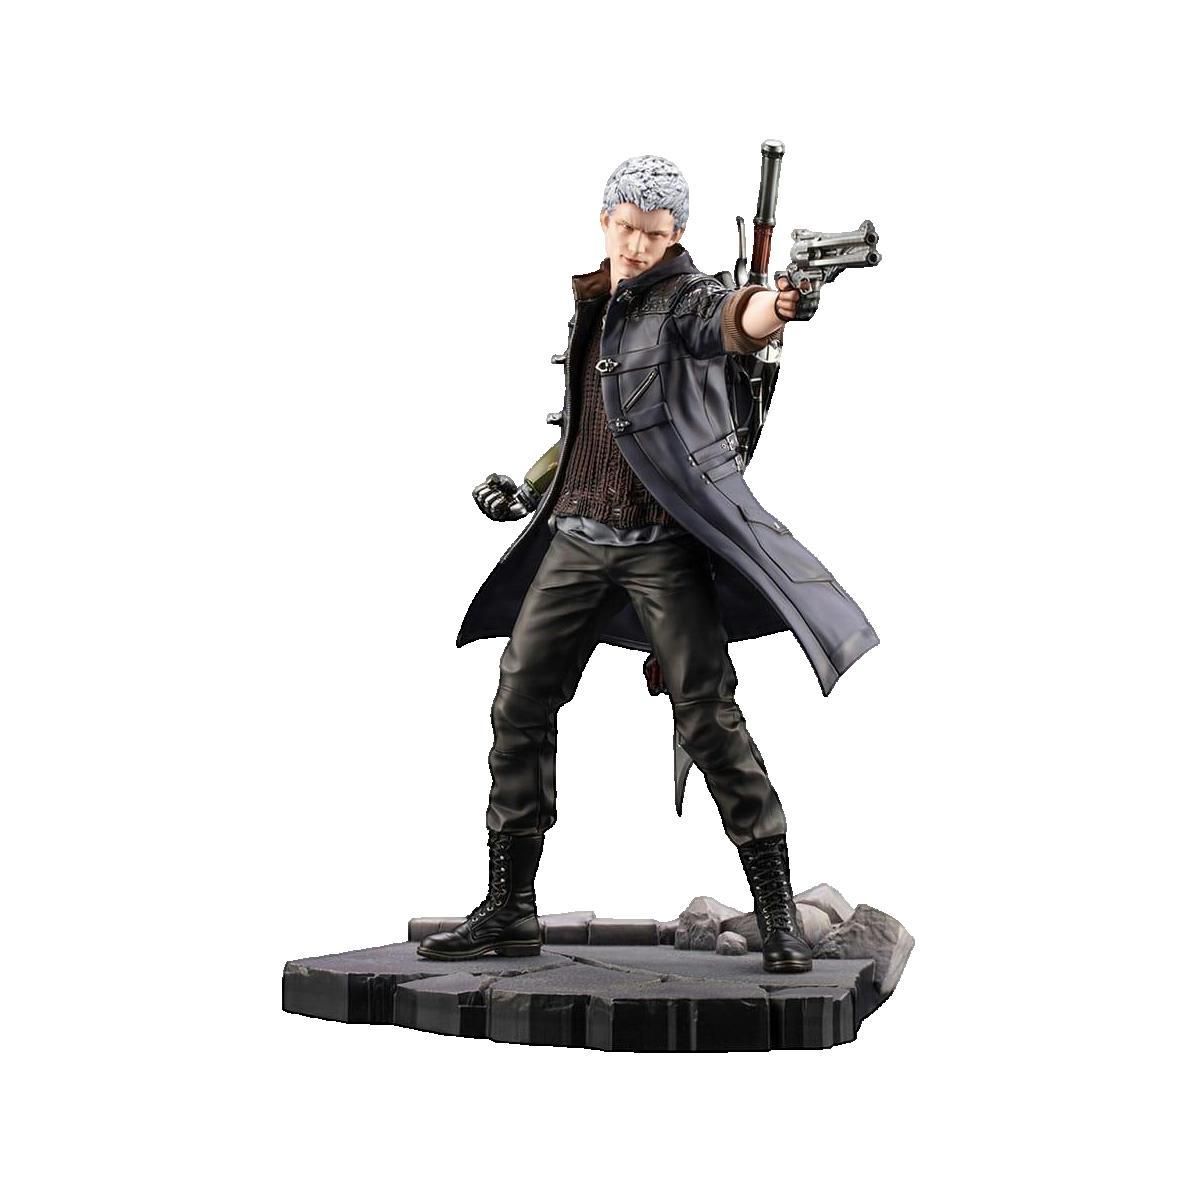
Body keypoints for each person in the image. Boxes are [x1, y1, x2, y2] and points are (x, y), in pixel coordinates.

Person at [418, 155, 876, 973]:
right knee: (520, 702)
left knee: (709, 719)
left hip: (662, 546)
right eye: (626, 228)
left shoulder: (684, 299)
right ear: (605, 221)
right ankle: (509, 905)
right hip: (576, 537)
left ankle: (776, 910)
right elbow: (594, 426)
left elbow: (733, 320)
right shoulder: (597, 300)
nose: (636, 245)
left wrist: (779, 305)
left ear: (677, 236)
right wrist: (530, 487)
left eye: (654, 234)